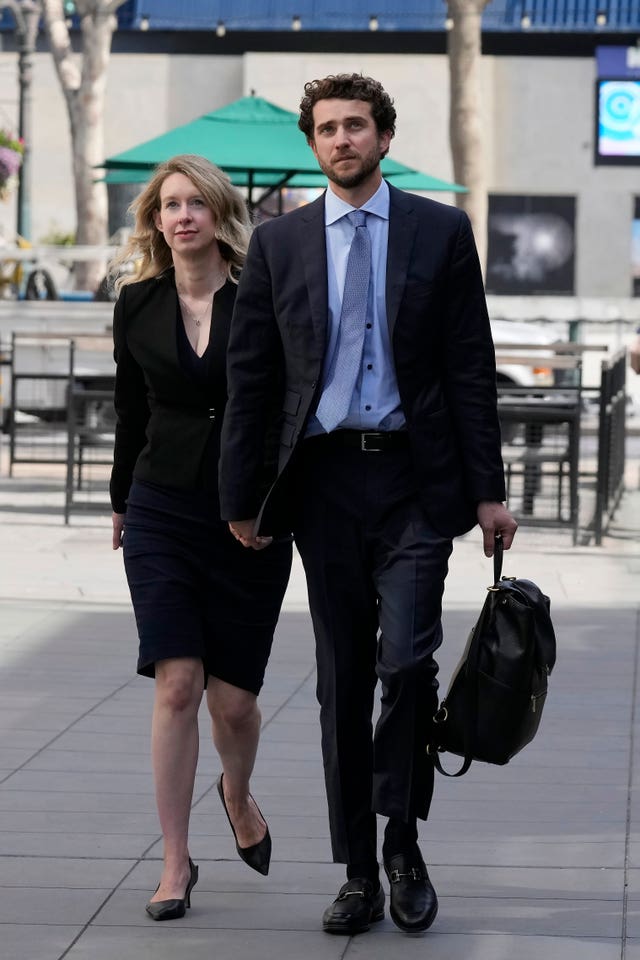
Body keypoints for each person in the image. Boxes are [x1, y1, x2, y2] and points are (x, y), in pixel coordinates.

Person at [219, 73, 517, 937]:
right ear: (313, 145)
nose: (342, 139)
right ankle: (356, 870)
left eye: (356, 126)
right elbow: (254, 379)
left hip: (417, 486)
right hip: (321, 486)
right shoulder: (280, 245)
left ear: (384, 138)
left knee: (406, 665)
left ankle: (402, 842)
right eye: (327, 128)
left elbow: (469, 364)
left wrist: (489, 491)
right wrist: (244, 498)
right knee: (343, 682)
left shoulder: (439, 231)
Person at [109, 154, 292, 921]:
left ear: (219, 216)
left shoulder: (264, 298)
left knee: (235, 705)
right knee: (177, 685)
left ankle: (237, 792)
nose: (183, 217)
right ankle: (175, 861)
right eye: (169, 205)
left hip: (248, 514)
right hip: (162, 509)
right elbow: (131, 410)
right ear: (156, 220)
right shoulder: (137, 303)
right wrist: (120, 502)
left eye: (196, 204)